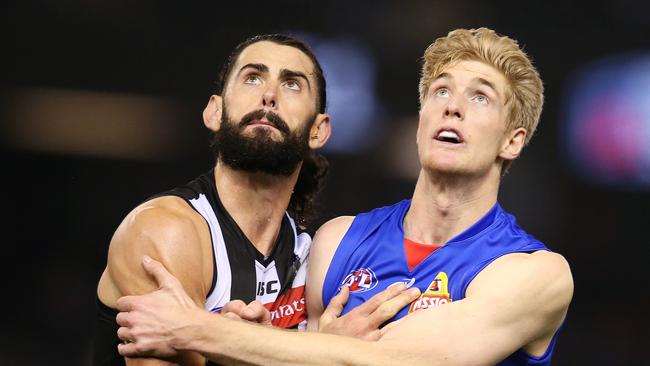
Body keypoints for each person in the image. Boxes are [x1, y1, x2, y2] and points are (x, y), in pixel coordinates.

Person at [114, 28, 574, 365]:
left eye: (480, 98)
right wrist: (258, 343)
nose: (452, 105)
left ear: (512, 141)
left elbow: (406, 362)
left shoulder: (535, 274)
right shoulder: (336, 241)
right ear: (420, 120)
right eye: (440, 91)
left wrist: (198, 329)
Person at [94, 33, 419, 366]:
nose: (269, 95)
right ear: (214, 111)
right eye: (252, 78)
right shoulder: (166, 230)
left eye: (292, 84)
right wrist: (324, 353)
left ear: (318, 131)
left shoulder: (312, 257)